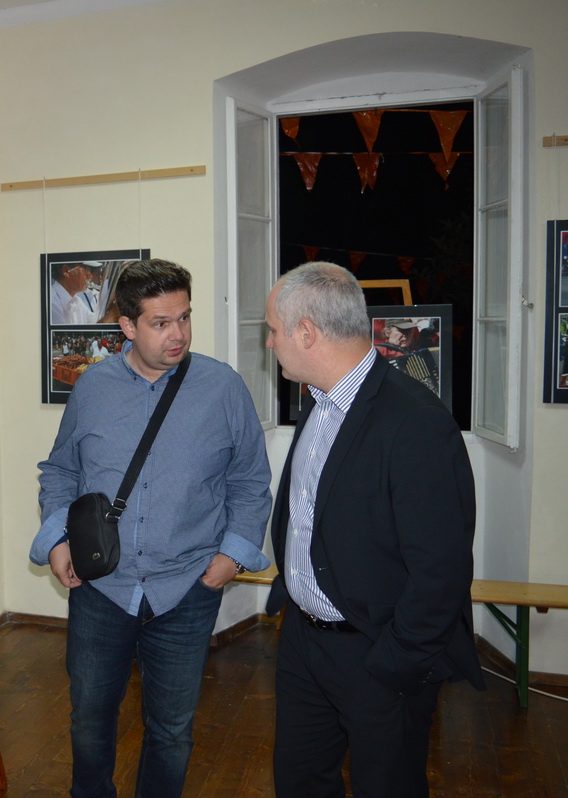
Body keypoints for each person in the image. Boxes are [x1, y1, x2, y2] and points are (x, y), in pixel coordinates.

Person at [31, 258, 273, 798]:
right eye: (161, 323)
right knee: (89, 720)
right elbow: (61, 470)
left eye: (184, 318)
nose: (178, 334)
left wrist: (232, 556)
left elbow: (250, 480)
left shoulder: (223, 388)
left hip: (186, 589)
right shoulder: (92, 386)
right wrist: (55, 539)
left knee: (171, 731)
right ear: (127, 326)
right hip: (101, 586)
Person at [263, 261, 483, 798]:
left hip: (377, 654)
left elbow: (441, 569)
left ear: (306, 332)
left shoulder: (415, 420)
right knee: (299, 781)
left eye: (272, 330)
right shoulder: (318, 401)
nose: (269, 343)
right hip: (304, 644)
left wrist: (395, 663)